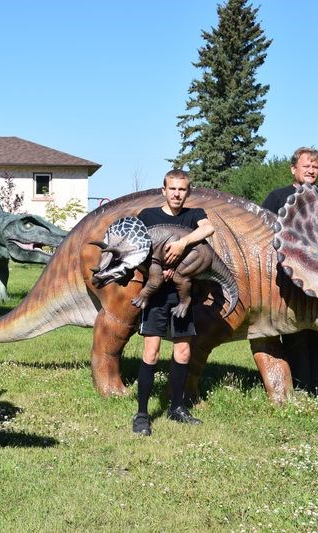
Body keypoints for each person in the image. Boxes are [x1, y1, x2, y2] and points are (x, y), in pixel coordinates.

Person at [261, 147, 318, 395]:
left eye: (315, 167)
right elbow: (261, 232)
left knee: (317, 332)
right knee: (294, 332)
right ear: (294, 169)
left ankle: (314, 383)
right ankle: (302, 385)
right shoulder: (278, 197)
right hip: (288, 280)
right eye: (306, 166)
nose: (312, 170)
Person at [132, 169, 215, 436]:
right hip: (156, 295)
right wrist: (157, 271)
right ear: (163, 190)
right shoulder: (148, 216)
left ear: (188, 192)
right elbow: (138, 252)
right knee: (151, 353)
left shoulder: (194, 215)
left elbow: (208, 228)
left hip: (183, 296)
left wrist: (182, 244)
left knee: (183, 353)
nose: (177, 194)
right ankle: (142, 414)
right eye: (173, 189)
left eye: (182, 189)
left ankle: (176, 408)